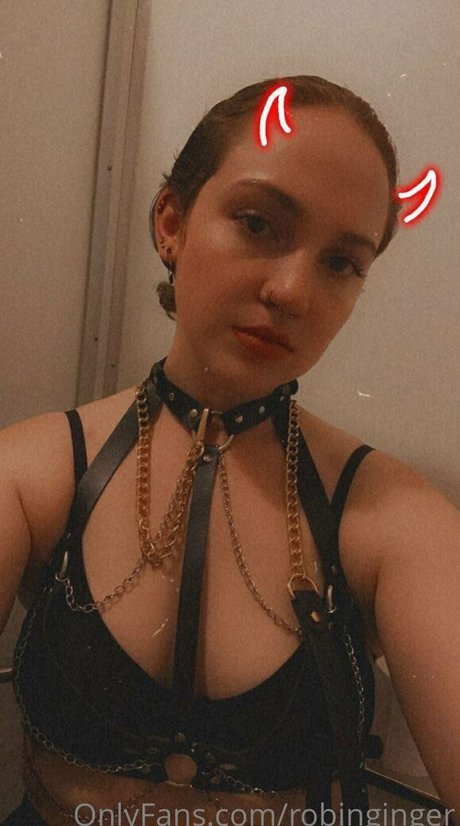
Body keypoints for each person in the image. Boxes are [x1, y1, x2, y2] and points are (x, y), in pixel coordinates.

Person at [1, 75, 459, 826]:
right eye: (257, 223)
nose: (293, 291)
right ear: (171, 223)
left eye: (342, 263)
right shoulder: (31, 475)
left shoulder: (395, 520)